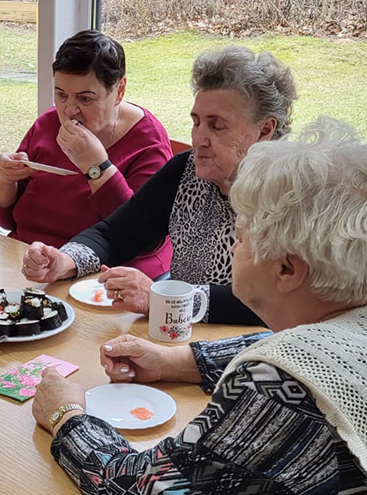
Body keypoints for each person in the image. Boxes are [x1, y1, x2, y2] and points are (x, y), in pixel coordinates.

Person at [32, 117, 367, 495]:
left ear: (288, 268)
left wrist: (65, 414)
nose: (234, 246)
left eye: (243, 235)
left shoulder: (281, 391)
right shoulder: (344, 326)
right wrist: (181, 361)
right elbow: (282, 347)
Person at [22, 45, 297, 325]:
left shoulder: (291, 194)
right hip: (176, 335)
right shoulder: (186, 171)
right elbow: (115, 233)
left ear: (264, 130)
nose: (198, 139)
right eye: (196, 122)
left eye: (217, 126)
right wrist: (64, 261)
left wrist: (164, 298)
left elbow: (275, 300)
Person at [0, 30, 172, 279]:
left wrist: (97, 167)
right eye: (61, 94)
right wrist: (5, 177)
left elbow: (141, 237)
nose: (69, 110)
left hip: (103, 277)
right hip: (28, 261)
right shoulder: (48, 124)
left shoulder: (148, 143)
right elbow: (6, 220)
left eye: (85, 98)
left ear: (119, 91)